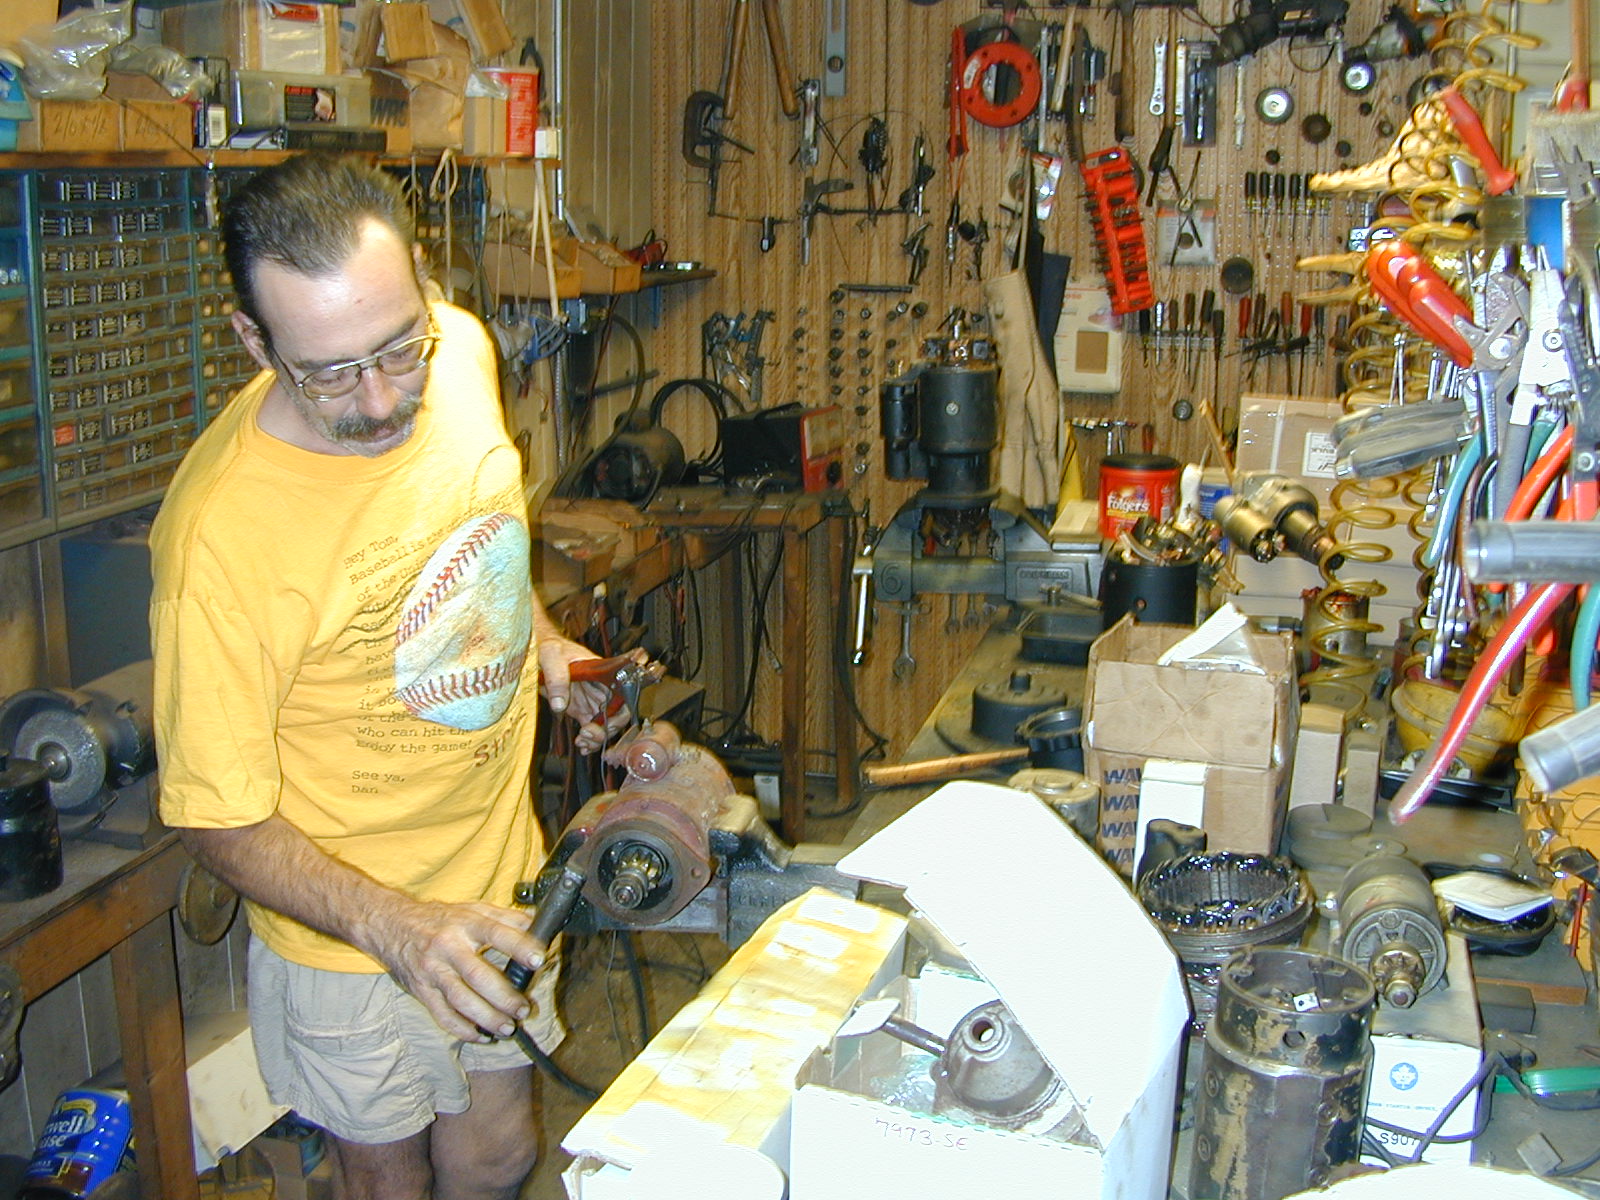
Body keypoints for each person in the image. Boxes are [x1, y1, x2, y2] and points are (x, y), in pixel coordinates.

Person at [149, 154, 608, 1200]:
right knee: (386, 1185)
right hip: (352, 942)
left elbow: (481, 556)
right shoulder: (221, 540)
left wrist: (545, 648)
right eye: (332, 373)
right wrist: (398, 930)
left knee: (499, 1157)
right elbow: (215, 817)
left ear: (424, 288)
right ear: (254, 342)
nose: (384, 397)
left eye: (400, 347)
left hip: (499, 884)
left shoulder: (463, 354)